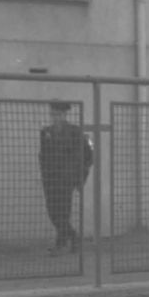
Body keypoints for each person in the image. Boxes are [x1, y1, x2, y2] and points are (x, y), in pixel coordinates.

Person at [38, 100, 94, 252]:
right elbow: (43, 155)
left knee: (62, 211)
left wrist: (80, 175)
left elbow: (89, 152)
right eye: (52, 114)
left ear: (64, 115)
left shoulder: (75, 131)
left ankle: (61, 242)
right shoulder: (46, 132)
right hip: (51, 179)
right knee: (53, 212)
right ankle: (72, 236)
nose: (54, 117)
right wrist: (45, 174)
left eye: (57, 114)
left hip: (66, 178)